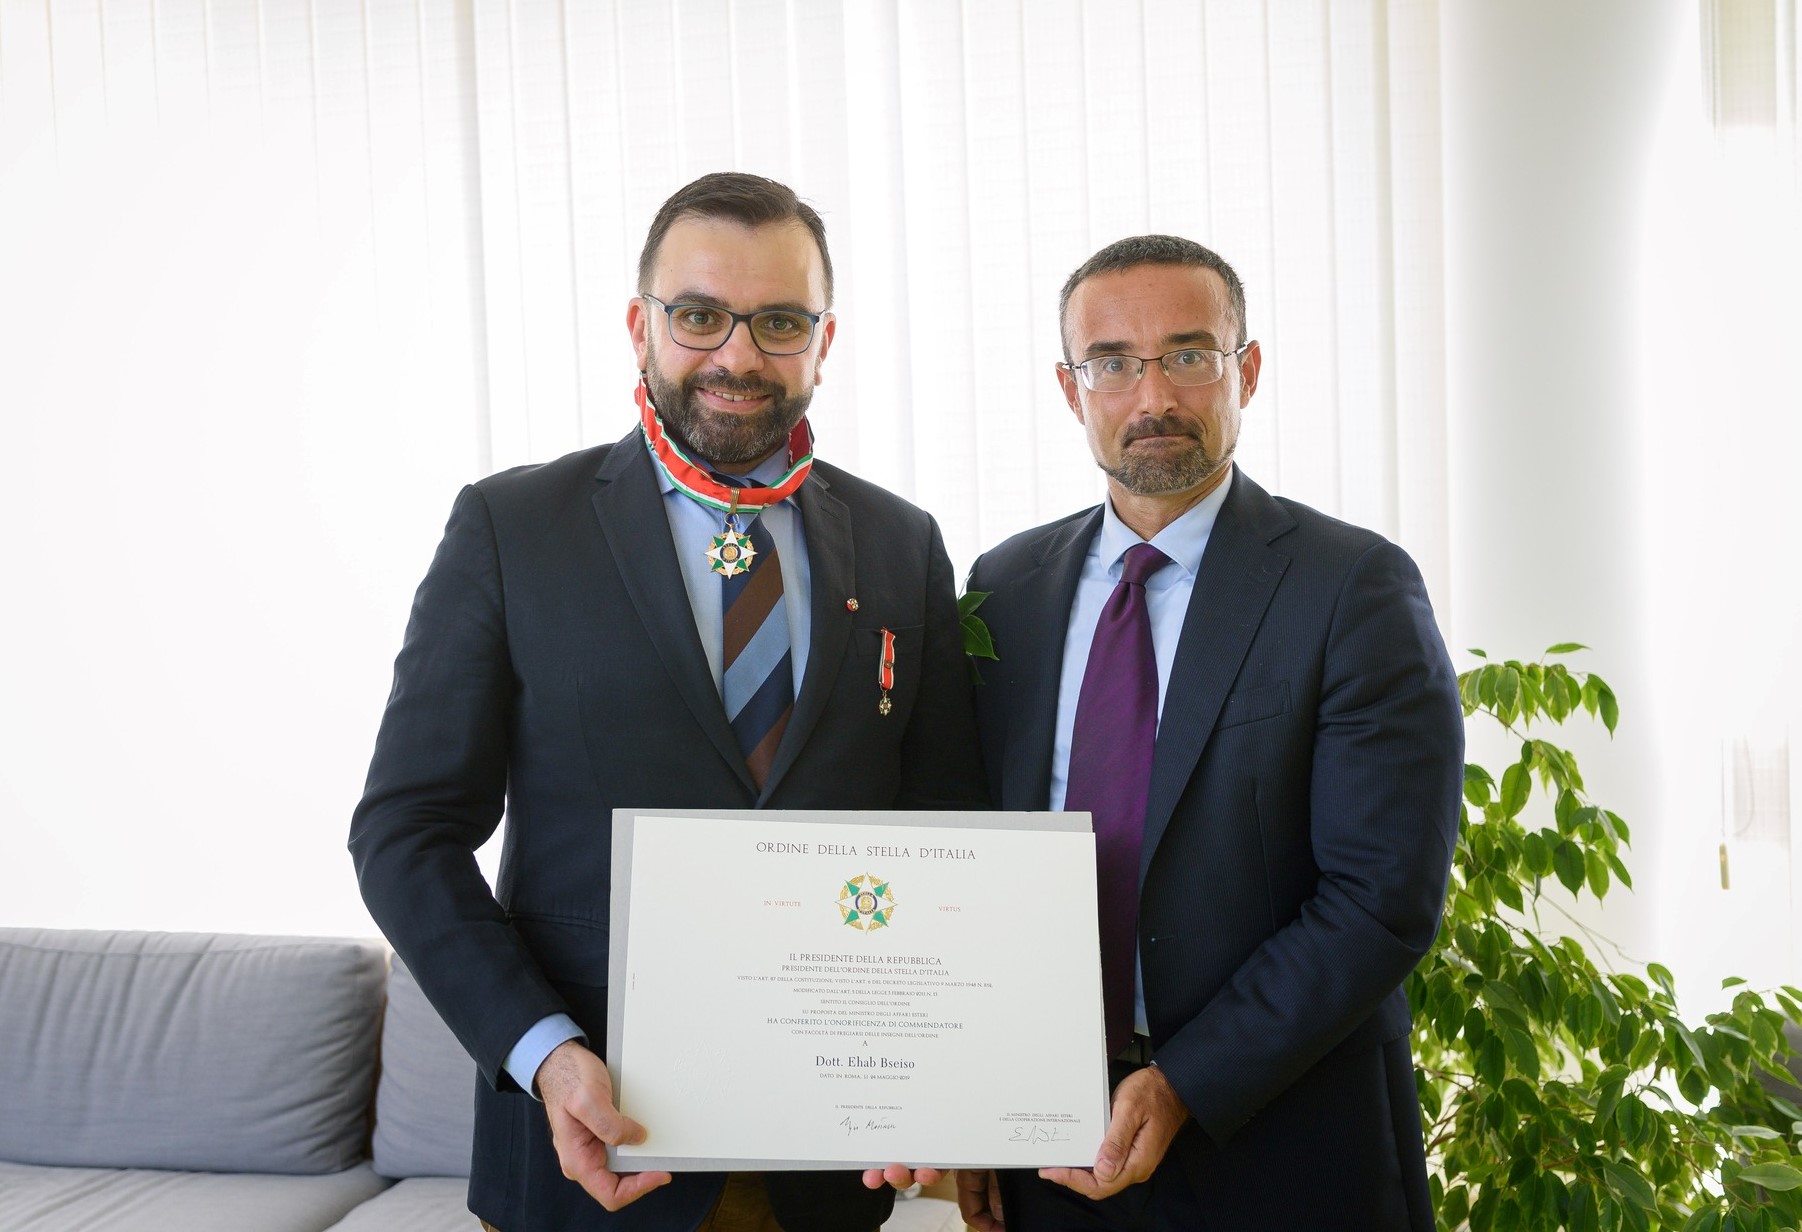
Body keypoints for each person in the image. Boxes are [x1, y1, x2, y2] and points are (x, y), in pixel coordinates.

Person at [350, 171, 986, 1232]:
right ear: (639, 326)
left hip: (829, 1167)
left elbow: (947, 828)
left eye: (779, 321)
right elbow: (404, 833)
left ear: (823, 342)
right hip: (588, 1145)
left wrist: (939, 1065)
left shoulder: (899, 542)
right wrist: (543, 1052)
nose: (738, 355)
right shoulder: (513, 528)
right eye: (698, 315)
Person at [957, 235, 1464, 1231]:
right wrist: (970, 1100)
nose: (1153, 396)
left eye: (1188, 355)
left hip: (1282, 1142)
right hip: (1050, 1142)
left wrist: (1184, 1080)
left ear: (1247, 370)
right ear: (1070, 389)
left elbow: (1381, 897)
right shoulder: (1004, 586)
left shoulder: (1351, 587)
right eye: (1112, 363)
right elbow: (976, 857)